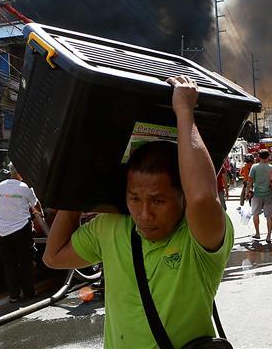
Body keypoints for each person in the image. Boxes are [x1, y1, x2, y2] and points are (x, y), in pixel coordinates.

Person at [43, 75, 234, 348]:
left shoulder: (199, 237)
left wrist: (184, 111)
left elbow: (203, 197)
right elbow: (54, 256)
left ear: (183, 196)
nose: (144, 214)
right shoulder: (110, 226)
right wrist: (78, 187)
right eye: (134, 198)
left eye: (158, 201)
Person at [0, 163, 42, 302]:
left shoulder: (1, 186)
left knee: (10, 264)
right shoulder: (25, 188)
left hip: (3, 230)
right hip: (21, 228)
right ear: (21, 172)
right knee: (25, 262)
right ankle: (29, 293)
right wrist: (40, 214)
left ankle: (13, 296)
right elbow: (36, 205)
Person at [247, 150, 272, 242]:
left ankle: (257, 233)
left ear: (259, 157)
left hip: (257, 194)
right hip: (268, 194)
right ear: (268, 157)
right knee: (269, 216)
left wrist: (248, 191)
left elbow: (250, 180)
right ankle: (269, 236)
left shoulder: (254, 167)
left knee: (255, 214)